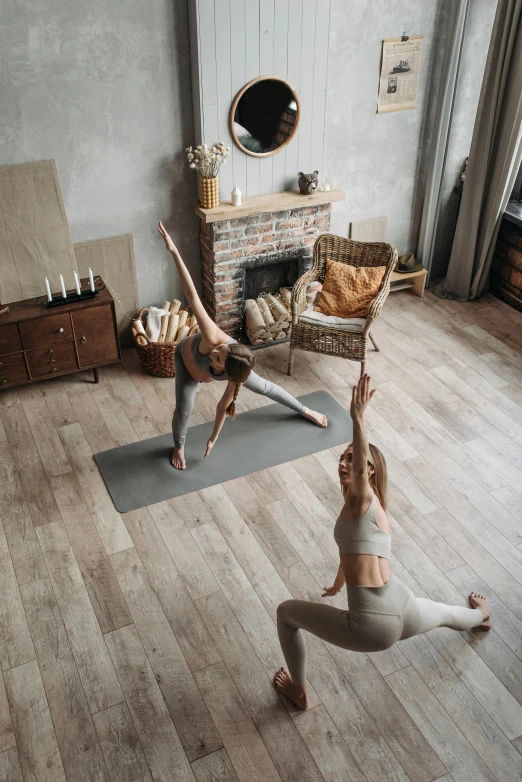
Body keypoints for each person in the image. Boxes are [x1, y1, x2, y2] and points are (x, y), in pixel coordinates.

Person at [274, 374, 491, 710]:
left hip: (371, 625)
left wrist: (358, 419)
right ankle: (481, 618)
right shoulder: (373, 510)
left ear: (370, 471)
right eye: (342, 458)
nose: (344, 463)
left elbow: (359, 472)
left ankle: (299, 692)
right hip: (400, 603)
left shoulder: (363, 496)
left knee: (286, 613)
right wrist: (336, 584)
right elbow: (354, 552)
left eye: (352, 459)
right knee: (448, 614)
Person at [158, 222, 328, 470]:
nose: (215, 350)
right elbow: (192, 295)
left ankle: (304, 410)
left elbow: (221, 408)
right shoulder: (211, 337)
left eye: (218, 356)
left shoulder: (237, 374)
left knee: (265, 388)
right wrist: (173, 250)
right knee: (184, 410)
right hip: (186, 364)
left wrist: (213, 439)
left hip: (213, 373)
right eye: (221, 349)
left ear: (228, 371)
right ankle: (178, 446)